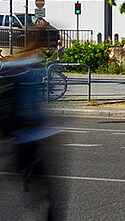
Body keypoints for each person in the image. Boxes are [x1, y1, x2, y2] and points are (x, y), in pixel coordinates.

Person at [1, 39, 66, 220]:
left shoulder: (19, 68)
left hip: (25, 138)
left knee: (34, 193)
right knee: (44, 195)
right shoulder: (22, 70)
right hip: (27, 139)